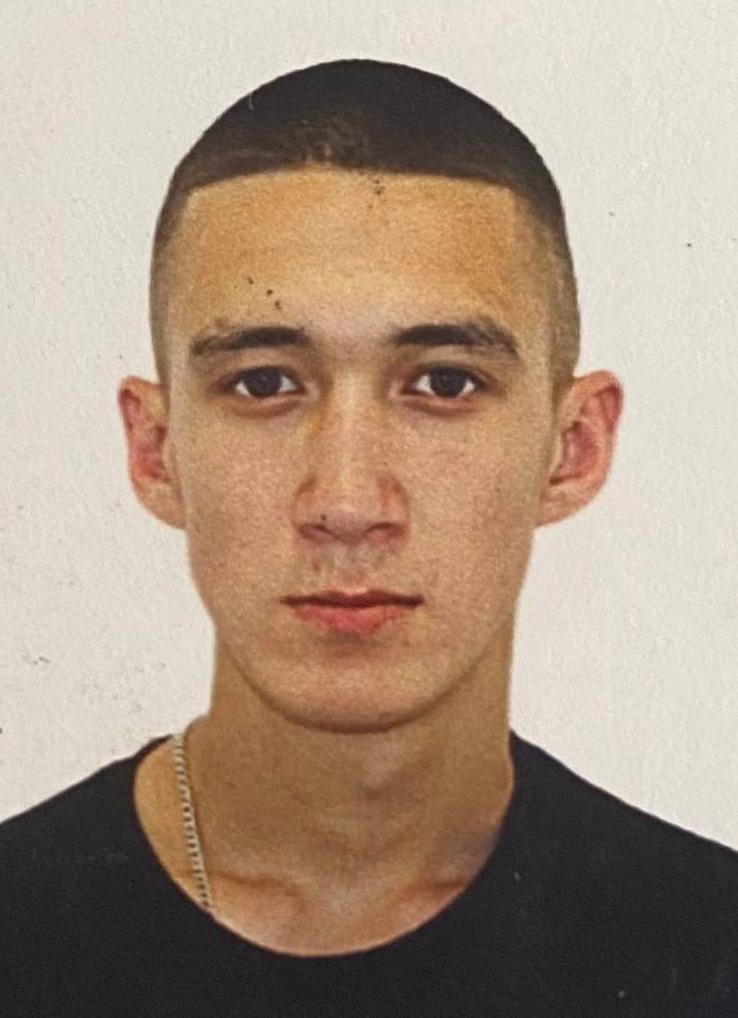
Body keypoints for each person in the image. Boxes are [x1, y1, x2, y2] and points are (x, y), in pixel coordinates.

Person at [1, 57, 736, 1018]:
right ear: (156, 451)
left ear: (573, 448)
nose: (348, 502)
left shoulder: (708, 951)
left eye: (444, 383)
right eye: (264, 383)